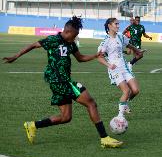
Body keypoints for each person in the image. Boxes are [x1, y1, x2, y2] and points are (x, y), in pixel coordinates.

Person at [3, 16, 123, 148]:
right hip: (59, 81)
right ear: (68, 32)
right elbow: (33, 45)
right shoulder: (52, 40)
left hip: (62, 82)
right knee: (91, 103)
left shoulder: (70, 43)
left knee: (66, 117)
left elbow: (80, 58)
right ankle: (104, 138)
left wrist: (95, 56)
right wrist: (15, 56)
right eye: (74, 36)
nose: (75, 39)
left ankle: (33, 125)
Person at [97, 18, 145, 118]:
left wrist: (138, 51)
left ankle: (125, 103)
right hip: (115, 69)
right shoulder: (105, 41)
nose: (118, 26)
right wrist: (109, 65)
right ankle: (120, 117)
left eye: (118, 24)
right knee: (126, 91)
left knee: (135, 90)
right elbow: (99, 58)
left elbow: (128, 44)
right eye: (116, 24)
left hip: (124, 67)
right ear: (109, 26)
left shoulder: (120, 36)